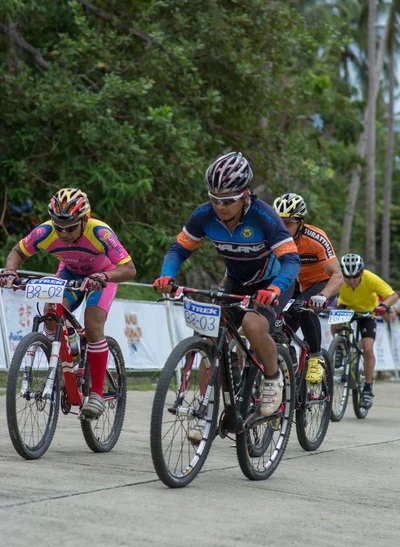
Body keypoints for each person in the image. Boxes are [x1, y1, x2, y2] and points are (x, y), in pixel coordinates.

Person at [153, 151, 301, 432]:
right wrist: (166, 276)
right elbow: (178, 250)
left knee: (252, 324)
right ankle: (206, 409)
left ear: (245, 195)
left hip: (272, 283)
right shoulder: (204, 215)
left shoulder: (263, 216)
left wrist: (274, 288)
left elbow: (291, 261)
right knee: (209, 338)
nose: (220, 206)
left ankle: (272, 377)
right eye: (214, 198)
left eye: (227, 200)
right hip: (235, 281)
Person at [0, 188, 136, 418]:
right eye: (58, 226)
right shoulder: (44, 231)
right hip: (69, 274)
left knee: (92, 326)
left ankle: (96, 395)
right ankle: (68, 364)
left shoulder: (100, 232)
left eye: (70, 227)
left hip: (103, 276)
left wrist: (103, 277)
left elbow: (129, 269)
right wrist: (10, 271)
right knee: (51, 313)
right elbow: (17, 252)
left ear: (85, 220)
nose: (63, 233)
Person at [273, 193, 343, 383]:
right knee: (276, 329)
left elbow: (338, 275)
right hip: (293, 284)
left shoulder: (315, 238)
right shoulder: (272, 238)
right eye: (279, 222)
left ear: (300, 222)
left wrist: (323, 295)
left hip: (321, 284)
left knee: (304, 308)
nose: (283, 227)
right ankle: (290, 363)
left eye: (288, 222)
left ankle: (315, 357)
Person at [335, 253, 398, 409]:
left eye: (354, 277)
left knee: (368, 349)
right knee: (334, 321)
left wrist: (383, 307)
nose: (350, 281)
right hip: (346, 310)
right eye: (347, 277)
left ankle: (368, 388)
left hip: (367, 313)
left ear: (361, 273)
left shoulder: (370, 278)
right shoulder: (338, 278)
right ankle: (338, 349)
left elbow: (392, 295)